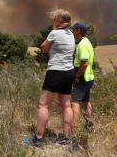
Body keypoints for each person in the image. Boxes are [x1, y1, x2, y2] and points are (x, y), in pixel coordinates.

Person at [32, 9, 75, 147]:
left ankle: (38, 139)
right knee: (66, 106)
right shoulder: (71, 35)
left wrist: (53, 30)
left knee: (43, 105)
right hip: (69, 72)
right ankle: (65, 139)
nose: (53, 21)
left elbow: (43, 48)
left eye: (54, 19)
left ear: (59, 21)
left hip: (56, 71)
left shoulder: (54, 33)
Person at [70, 23, 95, 129]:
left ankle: (74, 129)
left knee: (74, 102)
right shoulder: (84, 42)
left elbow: (84, 63)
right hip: (88, 78)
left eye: (74, 29)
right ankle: (90, 125)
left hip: (82, 78)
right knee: (86, 101)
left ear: (79, 31)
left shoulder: (83, 44)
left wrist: (77, 76)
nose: (72, 31)